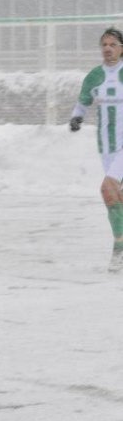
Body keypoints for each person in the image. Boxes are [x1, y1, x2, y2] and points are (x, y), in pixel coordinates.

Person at [69, 27, 123, 272]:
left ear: (122, 48)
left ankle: (119, 250)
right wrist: (76, 118)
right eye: (104, 44)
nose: (108, 49)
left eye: (113, 44)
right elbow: (83, 102)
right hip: (107, 146)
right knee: (116, 196)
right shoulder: (94, 77)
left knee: (107, 189)